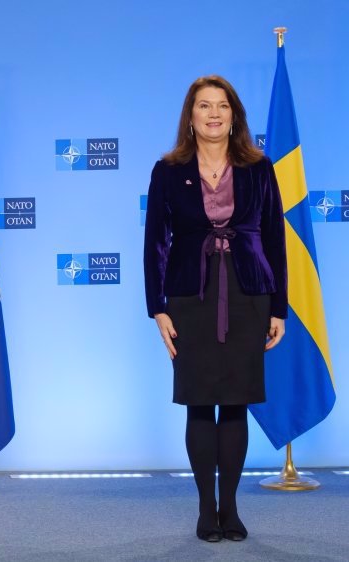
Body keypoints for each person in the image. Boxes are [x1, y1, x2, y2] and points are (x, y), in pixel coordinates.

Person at [143, 75, 287, 543]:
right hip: (190, 298)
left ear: (234, 116)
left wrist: (279, 308)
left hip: (248, 296)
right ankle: (207, 509)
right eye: (204, 106)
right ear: (190, 116)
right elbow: (154, 243)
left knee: (237, 402)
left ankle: (231, 508)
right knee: (200, 402)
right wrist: (158, 308)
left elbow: (274, 238)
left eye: (222, 106)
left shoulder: (258, 167)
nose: (213, 114)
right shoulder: (168, 170)